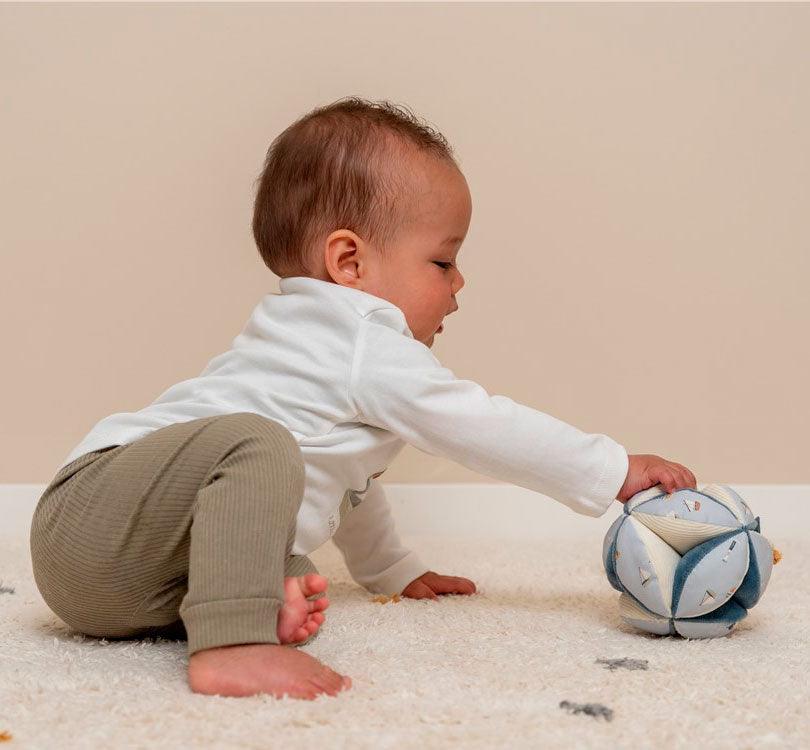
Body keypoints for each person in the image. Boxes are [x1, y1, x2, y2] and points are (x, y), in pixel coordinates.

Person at [30, 96, 697, 701]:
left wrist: (392, 570)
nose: (459, 283)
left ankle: (255, 598)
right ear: (349, 264)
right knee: (257, 444)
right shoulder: (358, 338)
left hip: (124, 575)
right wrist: (612, 470)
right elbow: (478, 424)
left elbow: (343, 476)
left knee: (285, 546)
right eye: (442, 262)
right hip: (93, 514)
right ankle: (230, 643)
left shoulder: (320, 353)